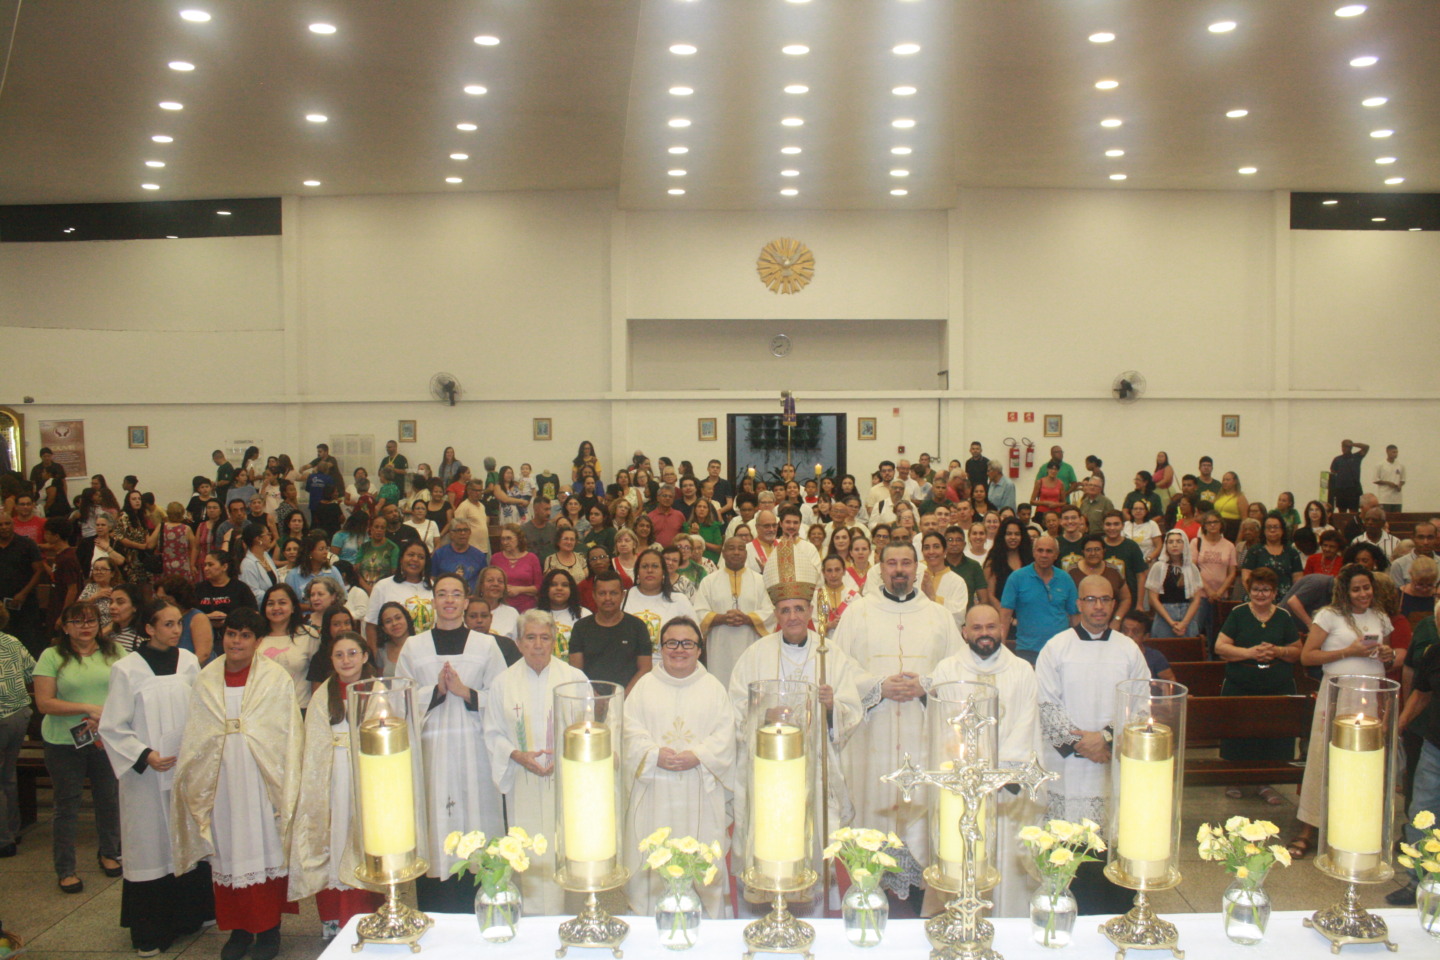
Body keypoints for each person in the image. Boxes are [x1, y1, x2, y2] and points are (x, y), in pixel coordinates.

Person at [728, 539, 865, 914]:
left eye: (798, 609)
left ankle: (814, 916)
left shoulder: (830, 653)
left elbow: (852, 708)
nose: (792, 616)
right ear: (775, 613)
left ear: (810, 611)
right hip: (768, 770)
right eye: (785, 609)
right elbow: (736, 705)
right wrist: (762, 714)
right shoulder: (755, 654)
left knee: (812, 839)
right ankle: (764, 908)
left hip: (813, 769)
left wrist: (831, 705)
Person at [831, 540, 964, 901]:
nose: (900, 569)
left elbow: (956, 670)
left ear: (918, 568)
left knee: (923, 805)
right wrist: (877, 685)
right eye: (892, 563)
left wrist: (925, 684)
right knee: (873, 801)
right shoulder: (858, 612)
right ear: (880, 568)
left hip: (923, 731)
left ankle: (922, 888)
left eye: (907, 563)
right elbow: (841, 666)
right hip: (873, 729)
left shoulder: (938, 615)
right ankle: (870, 882)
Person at [172, 607, 303, 960]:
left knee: (266, 849)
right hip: (222, 780)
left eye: (245, 635)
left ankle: (269, 930)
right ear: (223, 636)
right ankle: (239, 930)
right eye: (231, 634)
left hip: (262, 781)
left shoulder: (275, 679)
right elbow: (197, 732)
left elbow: (286, 733)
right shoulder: (206, 678)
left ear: (258, 642)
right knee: (228, 853)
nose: (236, 641)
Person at [100, 599, 214, 955]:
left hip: (183, 770)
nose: (176, 630)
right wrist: (146, 755)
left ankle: (190, 916)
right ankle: (152, 931)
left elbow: (203, 711)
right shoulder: (126, 669)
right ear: (148, 629)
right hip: (146, 776)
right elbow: (113, 726)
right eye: (167, 624)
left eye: (178, 623)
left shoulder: (189, 662)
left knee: (185, 837)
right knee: (150, 844)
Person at [1034, 574, 1149, 915]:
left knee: (1109, 848)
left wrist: (1108, 739)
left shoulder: (1128, 649)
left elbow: (1142, 704)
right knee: (1070, 850)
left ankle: (1114, 914)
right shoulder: (1057, 647)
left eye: (1105, 600)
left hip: (1112, 767)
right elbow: (1045, 703)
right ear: (1078, 603)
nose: (1098, 607)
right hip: (1067, 766)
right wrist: (1082, 743)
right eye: (1090, 600)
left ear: (1114, 604)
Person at [393, 574, 508, 913]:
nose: (449, 600)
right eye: (442, 594)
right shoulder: (414, 647)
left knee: (476, 820)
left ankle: (482, 904)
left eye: (456, 594)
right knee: (435, 821)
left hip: (475, 751)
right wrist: (436, 692)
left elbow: (502, 698)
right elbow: (399, 699)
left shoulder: (486, 645)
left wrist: (466, 693)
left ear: (466, 600)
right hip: (432, 751)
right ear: (433, 600)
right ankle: (435, 908)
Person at [927, 602, 1043, 918]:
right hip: (962, 787)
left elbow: (1027, 725)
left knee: (1007, 857)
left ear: (1002, 629)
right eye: (976, 628)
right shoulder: (948, 670)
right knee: (962, 854)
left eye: (991, 627)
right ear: (965, 631)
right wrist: (972, 773)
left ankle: (1009, 924)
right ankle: (960, 922)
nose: (984, 634)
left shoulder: (1022, 670)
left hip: (1006, 788)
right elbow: (942, 726)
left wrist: (999, 773)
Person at [622, 616, 735, 918]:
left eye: (688, 643)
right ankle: (648, 922)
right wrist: (653, 753)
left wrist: (698, 754)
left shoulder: (713, 688)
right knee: (652, 858)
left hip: (699, 788)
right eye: (672, 643)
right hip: (655, 788)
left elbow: (726, 735)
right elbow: (629, 732)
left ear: (700, 649)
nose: (679, 649)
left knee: (702, 862)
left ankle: (707, 927)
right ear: (661, 648)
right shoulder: (644, 687)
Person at [484, 610, 589, 915]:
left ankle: (571, 914)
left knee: (566, 849)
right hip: (523, 780)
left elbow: (589, 727)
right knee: (527, 848)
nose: (538, 645)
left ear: (556, 640)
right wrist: (517, 755)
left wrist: (565, 754)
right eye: (530, 637)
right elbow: (492, 732)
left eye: (545, 637)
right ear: (518, 642)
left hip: (565, 782)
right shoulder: (503, 682)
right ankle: (528, 918)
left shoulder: (574, 679)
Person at [1289, 564, 1396, 861]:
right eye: (1357, 589)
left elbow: (1388, 658)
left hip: (1371, 694)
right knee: (1325, 757)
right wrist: (1348, 651)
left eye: (1367, 587)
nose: (1364, 594)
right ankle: (1308, 828)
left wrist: (1389, 655)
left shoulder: (1380, 617)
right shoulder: (1328, 616)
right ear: (1345, 591)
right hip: (1338, 694)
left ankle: (1353, 829)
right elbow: (1307, 655)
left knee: (1363, 763)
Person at [32, 601, 124, 893]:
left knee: (108, 799)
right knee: (67, 805)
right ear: (65, 625)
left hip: (104, 740)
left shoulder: (115, 652)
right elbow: (45, 703)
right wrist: (88, 708)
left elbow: (130, 691)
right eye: (78, 621)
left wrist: (105, 717)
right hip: (63, 742)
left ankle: (109, 852)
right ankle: (66, 868)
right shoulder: (52, 655)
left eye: (91, 621)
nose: (85, 627)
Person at [1215, 564, 1302, 805]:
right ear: (1249, 591)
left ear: (1275, 593)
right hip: (1241, 686)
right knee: (1239, 734)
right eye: (1256, 589)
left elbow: (1297, 652)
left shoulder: (1283, 616)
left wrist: (1277, 651)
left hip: (1276, 687)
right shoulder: (1239, 613)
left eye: (1266, 590)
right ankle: (1235, 779)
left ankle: (1266, 782)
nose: (1260, 594)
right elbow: (1220, 648)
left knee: (1271, 736)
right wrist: (1250, 653)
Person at [1000, 536, 1079, 664]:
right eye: (1040, 550)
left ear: (1056, 555)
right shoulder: (1017, 578)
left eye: (1049, 551)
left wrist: (1078, 646)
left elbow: (1075, 617)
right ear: (1033, 552)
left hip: (1061, 651)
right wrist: (1001, 648)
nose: (1044, 555)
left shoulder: (1066, 579)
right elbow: (1005, 616)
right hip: (1027, 651)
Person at [571, 570, 654, 690]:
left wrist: (622, 698)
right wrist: (594, 698)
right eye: (602, 593)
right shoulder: (581, 627)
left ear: (623, 595)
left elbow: (645, 668)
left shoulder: (638, 627)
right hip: (590, 700)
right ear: (594, 595)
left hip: (629, 699)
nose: (608, 598)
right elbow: (576, 671)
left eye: (613, 593)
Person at [0, 605, 35, 860]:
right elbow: (32, 672)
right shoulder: (12, 640)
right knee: (7, 775)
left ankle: (4, 839)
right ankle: (13, 828)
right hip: (19, 714)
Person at [622, 549, 698, 661]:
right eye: (644, 566)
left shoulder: (679, 600)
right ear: (637, 571)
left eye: (655, 566)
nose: (649, 570)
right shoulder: (624, 598)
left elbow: (695, 638)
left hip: (671, 666)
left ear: (663, 571)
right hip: (629, 666)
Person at [257, 583, 322, 708]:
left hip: (300, 707)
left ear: (293, 607)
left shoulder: (308, 635)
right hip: (264, 708)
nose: (276, 608)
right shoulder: (256, 637)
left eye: (282, 603)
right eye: (270, 604)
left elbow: (318, 675)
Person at [366, 541, 436, 649]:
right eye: (411, 555)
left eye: (421, 557)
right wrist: (376, 659)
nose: (415, 560)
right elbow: (371, 625)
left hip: (428, 651)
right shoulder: (383, 586)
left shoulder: (434, 587)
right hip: (392, 654)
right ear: (401, 558)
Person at [1145, 529, 1205, 639]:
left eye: (1178, 541)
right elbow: (1153, 598)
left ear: (1185, 544)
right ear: (1166, 545)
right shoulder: (1159, 567)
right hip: (1165, 615)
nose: (1174, 545)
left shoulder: (1191, 568)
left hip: (1187, 615)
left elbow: (1196, 599)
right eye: (1171, 542)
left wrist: (1184, 623)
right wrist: (1171, 622)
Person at [1069, 534, 1132, 627]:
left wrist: (1117, 620)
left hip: (1110, 626)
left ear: (1104, 551)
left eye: (1097, 549)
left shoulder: (1113, 570)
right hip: (1080, 627)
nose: (1093, 553)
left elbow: (1126, 598)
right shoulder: (1072, 572)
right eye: (1088, 550)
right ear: (1083, 552)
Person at [1242, 511, 1304, 597]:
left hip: (1285, 600)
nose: (1272, 530)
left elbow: (1298, 579)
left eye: (1276, 527)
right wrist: (1256, 595)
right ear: (1263, 531)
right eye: (1268, 527)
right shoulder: (1254, 551)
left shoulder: (1292, 552)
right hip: (1257, 598)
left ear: (1282, 530)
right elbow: (1246, 577)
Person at [492, 524, 542, 614]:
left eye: (509, 538)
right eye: (503, 539)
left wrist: (519, 590)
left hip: (527, 609)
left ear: (519, 538)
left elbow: (538, 587)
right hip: (502, 607)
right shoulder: (495, 558)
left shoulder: (532, 558)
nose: (505, 542)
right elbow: (490, 584)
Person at [535, 568, 583, 659]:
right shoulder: (533, 616)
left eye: (565, 585)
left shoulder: (584, 614)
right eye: (553, 585)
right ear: (546, 589)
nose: (559, 588)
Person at [1327, 439, 1370, 513]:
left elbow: (1366, 447)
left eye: (1347, 446)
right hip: (1341, 490)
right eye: (1343, 446)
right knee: (1342, 512)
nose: (1344, 448)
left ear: (1350, 447)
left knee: (1354, 511)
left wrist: (1353, 444)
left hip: (1353, 489)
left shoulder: (1356, 457)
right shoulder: (1337, 459)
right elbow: (1333, 471)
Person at [1122, 500, 1163, 564]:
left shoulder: (1152, 524)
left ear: (1146, 511)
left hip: (1148, 562)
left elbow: (1159, 546)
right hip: (1129, 562)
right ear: (1131, 511)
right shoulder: (1126, 525)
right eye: (1135, 509)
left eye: (1141, 509)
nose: (1138, 511)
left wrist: (1149, 558)